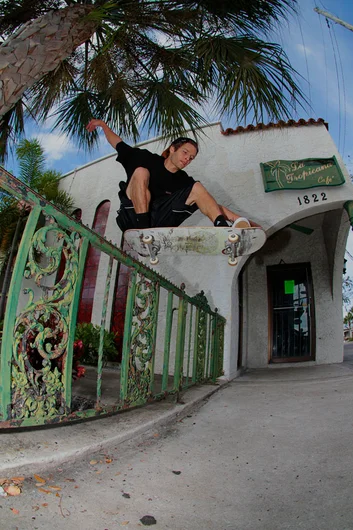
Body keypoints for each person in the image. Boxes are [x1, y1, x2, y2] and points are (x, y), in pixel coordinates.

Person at [86, 119, 258, 233]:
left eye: (191, 158)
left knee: (197, 188)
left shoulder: (184, 181)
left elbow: (208, 203)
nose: (187, 159)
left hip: (160, 220)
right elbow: (118, 143)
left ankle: (222, 228)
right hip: (132, 217)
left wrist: (246, 222)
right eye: (185, 152)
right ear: (172, 149)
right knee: (141, 172)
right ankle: (143, 229)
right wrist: (103, 125)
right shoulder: (145, 158)